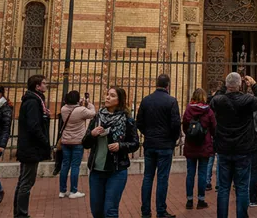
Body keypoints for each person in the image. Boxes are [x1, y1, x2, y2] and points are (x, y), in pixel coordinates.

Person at [209, 72, 257, 218]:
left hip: (224, 149)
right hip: (243, 149)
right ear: (240, 85)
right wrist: (254, 85)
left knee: (223, 188)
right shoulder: (246, 100)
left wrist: (224, 86)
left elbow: (211, 99)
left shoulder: (219, 100)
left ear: (227, 85)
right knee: (242, 187)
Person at [83, 87, 139, 218]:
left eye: (112, 95)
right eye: (107, 94)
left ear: (119, 100)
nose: (107, 97)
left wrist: (121, 146)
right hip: (96, 170)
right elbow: (85, 142)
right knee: (96, 211)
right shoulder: (97, 117)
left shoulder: (127, 120)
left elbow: (135, 143)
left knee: (110, 211)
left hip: (117, 170)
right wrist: (92, 134)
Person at [138, 74, 182, 218]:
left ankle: (145, 211)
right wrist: (172, 139)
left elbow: (139, 123)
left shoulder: (146, 100)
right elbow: (176, 124)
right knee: (162, 178)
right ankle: (161, 211)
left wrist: (148, 134)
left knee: (148, 177)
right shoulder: (171, 101)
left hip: (150, 144)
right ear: (168, 86)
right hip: (165, 145)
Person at [14, 74, 51, 218]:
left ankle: (18, 213)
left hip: (28, 146)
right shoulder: (33, 102)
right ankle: (21, 214)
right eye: (44, 83)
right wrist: (45, 141)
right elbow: (34, 126)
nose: (46, 85)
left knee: (23, 180)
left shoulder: (34, 100)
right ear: (37, 86)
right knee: (26, 182)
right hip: (30, 147)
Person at [57, 90, 96, 199]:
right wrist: (89, 103)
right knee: (75, 166)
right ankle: (73, 191)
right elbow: (93, 113)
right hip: (78, 142)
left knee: (65, 165)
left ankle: (62, 190)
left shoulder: (64, 109)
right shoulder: (81, 110)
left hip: (65, 141)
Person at [182, 88, 216, 210]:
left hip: (191, 145)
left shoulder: (188, 109)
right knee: (202, 173)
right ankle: (201, 200)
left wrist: (191, 134)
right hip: (204, 146)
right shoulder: (209, 111)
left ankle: (189, 200)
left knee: (190, 173)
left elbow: (185, 126)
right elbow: (214, 128)